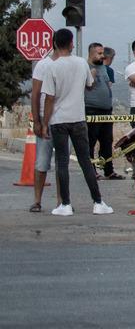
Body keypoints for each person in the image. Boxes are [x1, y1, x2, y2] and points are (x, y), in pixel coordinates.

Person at [41, 29, 112, 216]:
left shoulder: (52, 68)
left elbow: (49, 98)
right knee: (85, 162)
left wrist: (44, 123)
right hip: (78, 119)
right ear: (72, 43)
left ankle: (65, 204)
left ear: (55, 44)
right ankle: (98, 202)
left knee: (62, 162)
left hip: (58, 121)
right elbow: (90, 84)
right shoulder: (81, 63)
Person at [28, 45, 63, 213]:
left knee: (61, 163)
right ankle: (37, 200)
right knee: (42, 162)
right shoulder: (43, 65)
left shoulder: (70, 64)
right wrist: (37, 121)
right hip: (45, 120)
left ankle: (61, 201)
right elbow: (35, 94)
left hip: (65, 121)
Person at [85, 42, 122, 179]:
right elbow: (88, 86)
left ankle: (108, 170)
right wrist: (92, 76)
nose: (102, 56)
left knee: (107, 141)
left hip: (106, 110)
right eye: (99, 54)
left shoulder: (103, 68)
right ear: (91, 53)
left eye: (103, 54)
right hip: (91, 111)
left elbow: (107, 84)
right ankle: (91, 171)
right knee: (90, 142)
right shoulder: (86, 67)